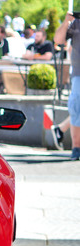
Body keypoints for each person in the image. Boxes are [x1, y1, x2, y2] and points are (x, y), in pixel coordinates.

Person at [54, 12, 80, 160]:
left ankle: (61, 129)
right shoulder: (76, 23)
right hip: (79, 74)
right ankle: (76, 148)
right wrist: (66, 22)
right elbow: (58, 40)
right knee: (76, 110)